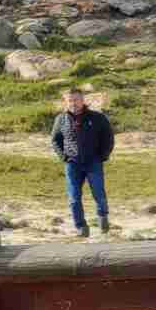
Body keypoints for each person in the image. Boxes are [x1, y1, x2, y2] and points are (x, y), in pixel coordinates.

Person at [48, 85, 115, 237]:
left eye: (76, 100)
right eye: (70, 100)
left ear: (82, 100)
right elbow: (55, 140)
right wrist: (64, 157)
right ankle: (81, 227)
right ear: (65, 102)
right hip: (72, 164)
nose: (74, 103)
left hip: (93, 162)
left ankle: (102, 217)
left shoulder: (97, 117)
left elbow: (108, 137)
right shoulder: (61, 119)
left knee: (99, 194)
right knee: (73, 198)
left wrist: (103, 155)